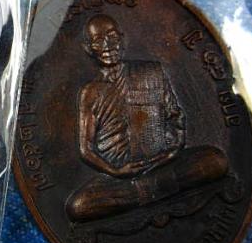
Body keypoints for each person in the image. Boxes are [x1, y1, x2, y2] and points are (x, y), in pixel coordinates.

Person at [66, 14, 228, 222]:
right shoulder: (90, 92)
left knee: (216, 160)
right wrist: (116, 171)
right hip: (121, 178)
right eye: (99, 41)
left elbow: (175, 116)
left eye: (113, 38)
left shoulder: (151, 71)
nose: (108, 46)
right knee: (79, 206)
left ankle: (142, 193)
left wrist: (172, 150)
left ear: (122, 40)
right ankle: (153, 189)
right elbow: (86, 149)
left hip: (163, 163)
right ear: (89, 48)